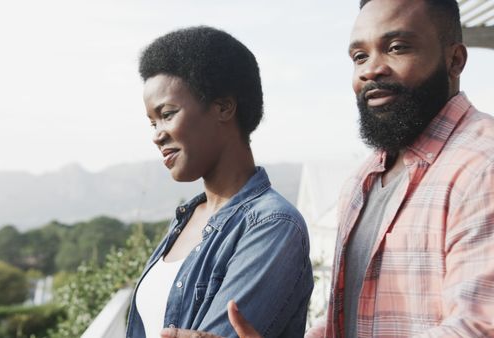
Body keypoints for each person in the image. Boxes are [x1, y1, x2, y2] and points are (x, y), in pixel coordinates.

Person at [161, 0, 494, 337]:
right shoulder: (361, 182)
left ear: (455, 60)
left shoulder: (482, 166)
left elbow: (478, 327)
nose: (371, 70)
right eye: (359, 57)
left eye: (396, 48)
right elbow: (344, 323)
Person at [126, 26, 314, 338]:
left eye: (168, 114)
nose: (157, 134)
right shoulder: (186, 219)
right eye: (152, 122)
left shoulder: (272, 225)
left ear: (223, 107)